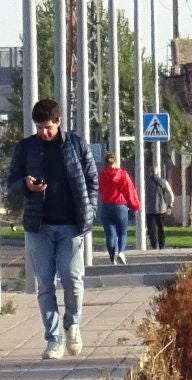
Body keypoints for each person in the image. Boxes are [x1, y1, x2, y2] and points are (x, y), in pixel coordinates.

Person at [7, 98, 97, 360]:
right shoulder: (26, 148)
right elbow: (11, 181)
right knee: (45, 285)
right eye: (38, 127)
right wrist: (26, 185)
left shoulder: (76, 145)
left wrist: (90, 209)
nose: (43, 132)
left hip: (71, 225)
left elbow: (92, 179)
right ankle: (54, 339)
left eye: (47, 127)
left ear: (59, 121)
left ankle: (73, 324)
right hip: (39, 226)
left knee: (72, 280)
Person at [97, 151, 139, 265]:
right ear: (115, 162)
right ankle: (121, 252)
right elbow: (129, 190)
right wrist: (134, 205)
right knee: (122, 233)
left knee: (110, 234)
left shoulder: (102, 175)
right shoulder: (123, 174)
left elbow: (100, 189)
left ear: (106, 164)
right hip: (120, 206)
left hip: (106, 206)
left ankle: (112, 258)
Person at [144, 163, 174, 250]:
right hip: (161, 209)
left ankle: (154, 246)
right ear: (158, 172)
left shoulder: (146, 182)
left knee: (151, 229)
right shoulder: (163, 182)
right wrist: (170, 205)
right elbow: (171, 194)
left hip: (150, 210)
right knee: (161, 228)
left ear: (150, 172)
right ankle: (161, 245)